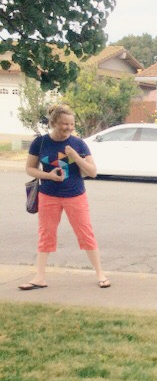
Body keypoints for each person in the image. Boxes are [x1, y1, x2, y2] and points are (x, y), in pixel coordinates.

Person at [19, 104, 110, 290]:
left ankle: (100, 274)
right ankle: (40, 278)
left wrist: (76, 156)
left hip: (75, 195)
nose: (69, 128)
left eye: (71, 124)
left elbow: (92, 172)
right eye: (64, 124)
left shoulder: (78, 144)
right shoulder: (40, 143)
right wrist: (48, 175)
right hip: (48, 195)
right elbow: (30, 169)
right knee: (46, 234)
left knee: (85, 233)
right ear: (53, 123)